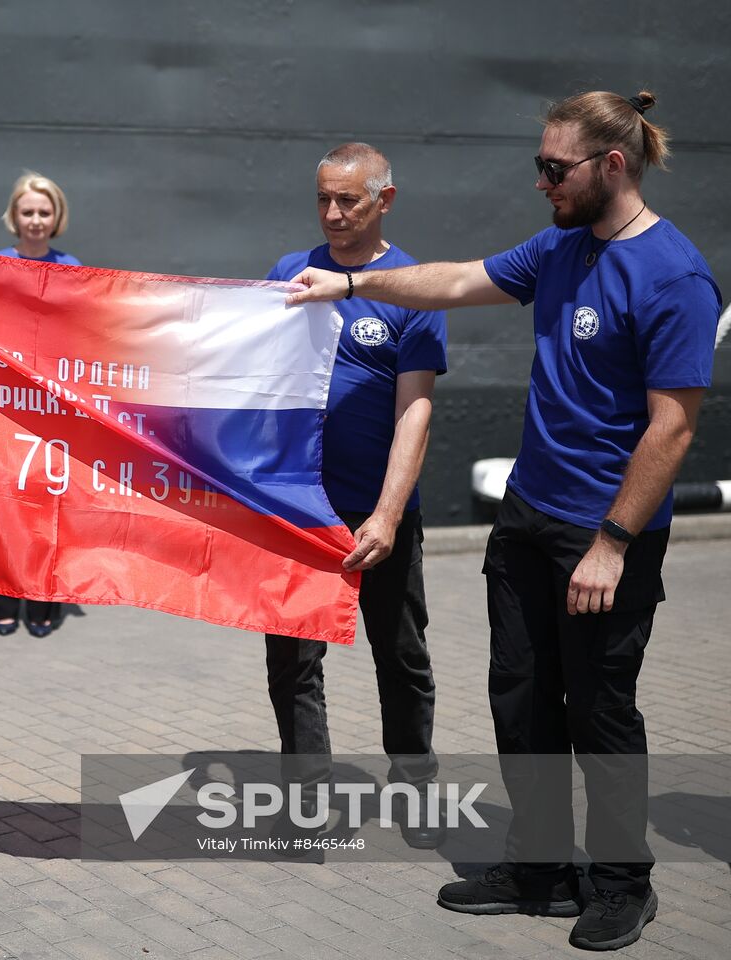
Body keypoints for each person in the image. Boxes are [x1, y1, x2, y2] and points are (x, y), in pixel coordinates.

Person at [287, 91, 720, 952]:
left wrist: (612, 544)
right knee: (520, 701)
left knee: (600, 710)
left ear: (613, 166)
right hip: (526, 518)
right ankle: (540, 868)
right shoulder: (560, 247)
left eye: (554, 170)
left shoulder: (675, 276)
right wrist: (350, 281)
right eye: (539, 166)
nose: (540, 184)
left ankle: (623, 882)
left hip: (604, 535)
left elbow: (672, 426)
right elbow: (453, 281)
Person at [264, 144, 446, 852]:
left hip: (379, 514)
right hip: (298, 513)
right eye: (323, 200)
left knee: (398, 654)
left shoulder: (413, 286)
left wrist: (388, 514)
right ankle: (307, 802)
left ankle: (413, 786)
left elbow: (416, 412)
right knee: (293, 662)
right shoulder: (289, 273)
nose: (334, 214)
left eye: (350, 201)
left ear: (385, 201)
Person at [0, 171, 80, 636]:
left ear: (55, 217)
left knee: (46, 504)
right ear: (14, 217)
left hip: (51, 405)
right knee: (1, 503)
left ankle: (42, 601)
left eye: (44, 212)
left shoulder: (72, 266)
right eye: (28, 212)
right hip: (3, 401)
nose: (36, 220)